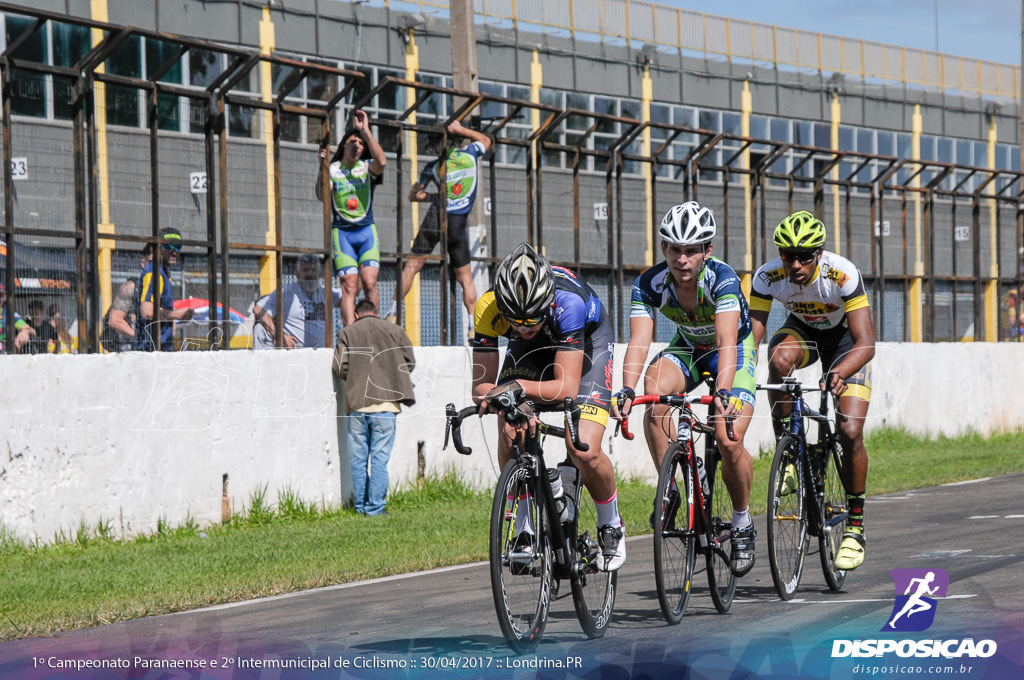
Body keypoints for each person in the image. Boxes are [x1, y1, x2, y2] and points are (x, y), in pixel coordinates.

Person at [611, 201, 758, 577]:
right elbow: (640, 342)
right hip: (689, 348)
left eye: (691, 250)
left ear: (707, 251)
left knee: (728, 439)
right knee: (655, 391)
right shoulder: (648, 284)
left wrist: (723, 394)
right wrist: (626, 390)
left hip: (733, 353)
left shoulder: (722, 279)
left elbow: (727, 342)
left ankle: (741, 521)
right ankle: (672, 488)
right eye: (674, 249)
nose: (682, 259)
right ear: (664, 250)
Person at [471, 242, 625, 572]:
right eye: (516, 322)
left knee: (583, 448)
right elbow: (481, 388)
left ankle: (610, 521)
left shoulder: (569, 303)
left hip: (586, 343)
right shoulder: (487, 308)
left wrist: (518, 389)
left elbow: (565, 388)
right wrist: (508, 400)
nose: (525, 328)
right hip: (535, 351)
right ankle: (525, 529)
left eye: (532, 319)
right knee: (511, 426)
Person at [749, 210, 876, 571]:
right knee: (776, 361)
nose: (797, 263)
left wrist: (839, 371)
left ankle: (855, 526)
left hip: (846, 343)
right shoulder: (768, 275)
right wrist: (739, 373)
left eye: (805, 255)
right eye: (789, 255)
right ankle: (788, 451)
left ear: (819, 254)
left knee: (850, 430)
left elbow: (866, 343)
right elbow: (751, 338)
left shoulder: (842, 273)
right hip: (803, 331)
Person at [396, 120, 491, 321]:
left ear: (438, 144)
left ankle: (392, 310)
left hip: (435, 218)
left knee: (412, 266)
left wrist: (433, 196)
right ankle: (473, 326)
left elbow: (414, 195)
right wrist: (460, 129)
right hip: (457, 223)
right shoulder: (470, 154)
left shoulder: (432, 166)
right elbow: (486, 140)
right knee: (465, 277)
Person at [333, 299, 416, 517]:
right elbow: (410, 362)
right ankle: (376, 508)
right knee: (380, 458)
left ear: (357, 314)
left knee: (358, 459)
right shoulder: (394, 330)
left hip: (358, 404)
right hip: (387, 405)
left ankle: (360, 507)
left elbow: (340, 367)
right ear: (376, 313)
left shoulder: (347, 333)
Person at [316, 109, 387, 327]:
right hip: (342, 233)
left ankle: (373, 328)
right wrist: (322, 167)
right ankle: (350, 334)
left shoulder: (366, 168)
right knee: (349, 284)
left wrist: (366, 131)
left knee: (369, 282)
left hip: (366, 231)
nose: (357, 145)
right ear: (344, 145)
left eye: (361, 143)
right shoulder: (334, 169)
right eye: (353, 140)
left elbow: (382, 162)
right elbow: (321, 196)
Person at [252, 254, 342, 349]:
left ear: (320, 274)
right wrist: (280, 337)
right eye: (306, 270)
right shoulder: (287, 292)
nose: (310, 274)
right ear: (297, 274)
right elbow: (258, 309)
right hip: (295, 356)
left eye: (314, 270)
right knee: (259, 327)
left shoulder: (325, 292)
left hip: (321, 355)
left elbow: (349, 294)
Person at [134, 227, 194, 352]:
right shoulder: (154, 272)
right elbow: (147, 310)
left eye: (177, 247)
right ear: (158, 248)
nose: (174, 252)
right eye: (168, 247)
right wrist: (177, 314)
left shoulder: (164, 273)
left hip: (159, 349)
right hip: (151, 351)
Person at [102, 248, 152, 352]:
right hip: (125, 354)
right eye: (152, 263)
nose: (157, 268)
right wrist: (138, 338)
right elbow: (114, 320)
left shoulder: (161, 290)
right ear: (143, 263)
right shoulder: (132, 288)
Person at [0, 284, 34, 354]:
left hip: (5, 356)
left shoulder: (9, 314)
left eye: (1, 295)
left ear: (4, 297)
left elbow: (30, 329)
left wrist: (25, 331)